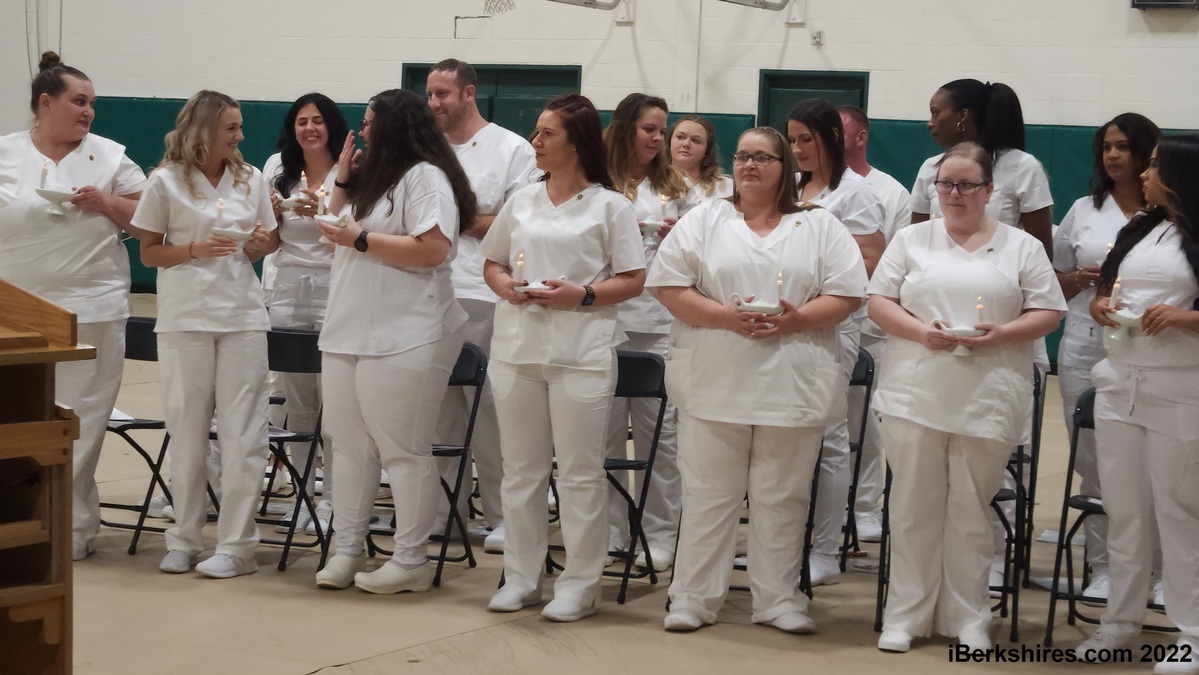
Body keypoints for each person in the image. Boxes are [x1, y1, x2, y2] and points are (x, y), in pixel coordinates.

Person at [651, 126, 866, 633]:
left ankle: (778, 599)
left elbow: (848, 293)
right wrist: (723, 316)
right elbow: (668, 284)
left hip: (792, 381)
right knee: (709, 495)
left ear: (785, 166)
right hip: (715, 378)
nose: (750, 165)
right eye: (743, 156)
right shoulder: (706, 219)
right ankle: (693, 598)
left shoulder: (819, 224)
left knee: (782, 497)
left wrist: (798, 319)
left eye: (763, 158)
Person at [868, 142, 1066, 653]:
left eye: (966, 185)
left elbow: (1049, 311)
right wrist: (920, 332)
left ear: (989, 190)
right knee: (913, 504)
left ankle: (969, 616)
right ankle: (906, 614)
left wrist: (1002, 333)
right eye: (946, 185)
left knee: (971, 508)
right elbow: (878, 301)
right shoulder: (912, 239)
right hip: (916, 390)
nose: (955, 194)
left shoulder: (1022, 246)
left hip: (987, 393)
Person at [481, 93, 645, 622]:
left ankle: (580, 584)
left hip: (581, 352)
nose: (536, 141)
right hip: (517, 347)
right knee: (521, 471)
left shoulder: (610, 206)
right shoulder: (523, 200)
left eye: (547, 133)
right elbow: (492, 262)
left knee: (579, 472)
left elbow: (634, 278)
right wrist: (505, 285)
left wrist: (585, 294)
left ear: (576, 142)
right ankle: (522, 577)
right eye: (536, 132)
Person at [312, 89, 475, 594]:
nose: (361, 131)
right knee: (348, 445)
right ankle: (347, 549)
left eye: (368, 122)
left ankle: (410, 559)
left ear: (393, 127)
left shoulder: (426, 177)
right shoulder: (370, 178)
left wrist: (361, 238)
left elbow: (432, 249)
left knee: (402, 448)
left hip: (409, 330)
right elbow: (331, 233)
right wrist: (342, 180)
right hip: (350, 325)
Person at [0, 51, 146, 561]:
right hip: (15, 311)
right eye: (79, 102)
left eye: (92, 104)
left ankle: (72, 526)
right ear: (46, 103)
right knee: (16, 419)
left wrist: (106, 203)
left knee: (80, 422)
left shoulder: (111, 156)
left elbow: (150, 223)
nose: (88, 112)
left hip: (93, 306)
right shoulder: (6, 153)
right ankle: (17, 518)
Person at [134, 90, 276, 578]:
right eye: (231, 128)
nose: (240, 136)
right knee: (187, 432)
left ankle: (237, 546)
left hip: (242, 318)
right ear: (203, 130)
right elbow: (148, 253)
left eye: (240, 126)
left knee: (244, 434)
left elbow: (262, 244)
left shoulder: (251, 177)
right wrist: (193, 250)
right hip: (185, 318)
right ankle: (184, 537)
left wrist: (259, 245)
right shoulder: (165, 181)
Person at [1076, 135, 1199, 674]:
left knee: (1180, 511)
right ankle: (1120, 623)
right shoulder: (1143, 227)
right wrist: (1103, 303)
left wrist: (1186, 318)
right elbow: (1110, 286)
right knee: (1125, 510)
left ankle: (1192, 632)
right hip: (1120, 381)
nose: (1144, 174)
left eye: (1153, 165)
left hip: (1181, 388)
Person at [425, 59, 540, 553]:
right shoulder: (424, 150)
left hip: (485, 292)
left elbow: (517, 223)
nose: (434, 103)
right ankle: (443, 511)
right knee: (438, 408)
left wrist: (454, 219)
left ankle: (502, 514)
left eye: (443, 94)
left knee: (490, 408)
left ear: (469, 94)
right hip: (431, 290)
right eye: (430, 94)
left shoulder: (512, 149)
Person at [1052, 112, 1162, 603]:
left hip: (1151, 347)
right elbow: (1054, 281)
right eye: (1107, 147)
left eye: (1124, 146)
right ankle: (1102, 567)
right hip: (1085, 342)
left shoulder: (1170, 213)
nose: (1114, 155)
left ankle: (1158, 568)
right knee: (1094, 459)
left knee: (1152, 462)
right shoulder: (1084, 209)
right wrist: (1082, 280)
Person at [786, 98, 886, 586]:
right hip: (785, 321)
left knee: (829, 433)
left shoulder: (856, 193)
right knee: (789, 434)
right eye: (791, 140)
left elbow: (871, 260)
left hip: (834, 324)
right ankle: (786, 542)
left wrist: (813, 259)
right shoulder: (791, 187)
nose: (798, 149)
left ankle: (825, 549)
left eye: (806, 139)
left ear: (830, 138)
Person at [602, 93, 691, 572]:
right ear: (624, 129)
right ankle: (612, 532)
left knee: (661, 436)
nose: (658, 139)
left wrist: (682, 236)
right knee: (606, 435)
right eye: (649, 130)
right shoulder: (598, 183)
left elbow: (701, 254)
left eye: (662, 130)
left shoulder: (677, 187)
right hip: (605, 319)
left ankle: (659, 535)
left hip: (657, 323)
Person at [261, 92, 350, 535]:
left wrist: (324, 213)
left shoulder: (351, 170)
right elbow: (269, 241)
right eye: (301, 121)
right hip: (288, 289)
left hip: (336, 287)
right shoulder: (277, 168)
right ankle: (302, 495)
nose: (310, 128)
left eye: (317, 120)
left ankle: (334, 502)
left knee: (335, 404)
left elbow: (355, 237)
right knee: (297, 404)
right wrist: (269, 216)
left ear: (331, 125)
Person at [837, 104, 913, 543]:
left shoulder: (890, 192)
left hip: (869, 322)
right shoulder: (798, 185)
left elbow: (895, 262)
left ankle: (865, 506)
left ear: (861, 136)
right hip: (813, 320)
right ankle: (824, 502)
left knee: (864, 419)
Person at [910, 79, 1054, 260]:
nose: (930, 123)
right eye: (946, 184)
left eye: (935, 113)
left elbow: (1041, 254)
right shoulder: (930, 168)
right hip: (935, 271)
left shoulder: (1023, 166)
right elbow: (914, 241)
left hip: (998, 272)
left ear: (962, 115)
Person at [668, 114, 732, 205]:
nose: (686, 144)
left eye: (696, 141)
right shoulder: (652, 182)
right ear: (669, 141)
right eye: (680, 137)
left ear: (707, 150)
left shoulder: (725, 188)